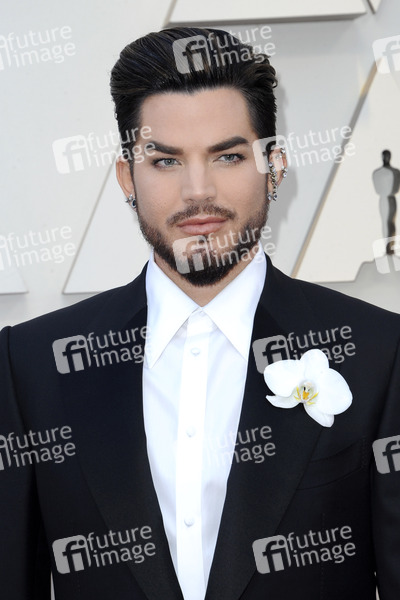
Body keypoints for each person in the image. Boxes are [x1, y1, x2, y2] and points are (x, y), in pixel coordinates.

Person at [0, 26, 399, 600]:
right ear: (127, 178)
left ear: (274, 167)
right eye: (165, 161)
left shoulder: (379, 353)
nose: (197, 191)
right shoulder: (33, 365)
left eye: (228, 156)